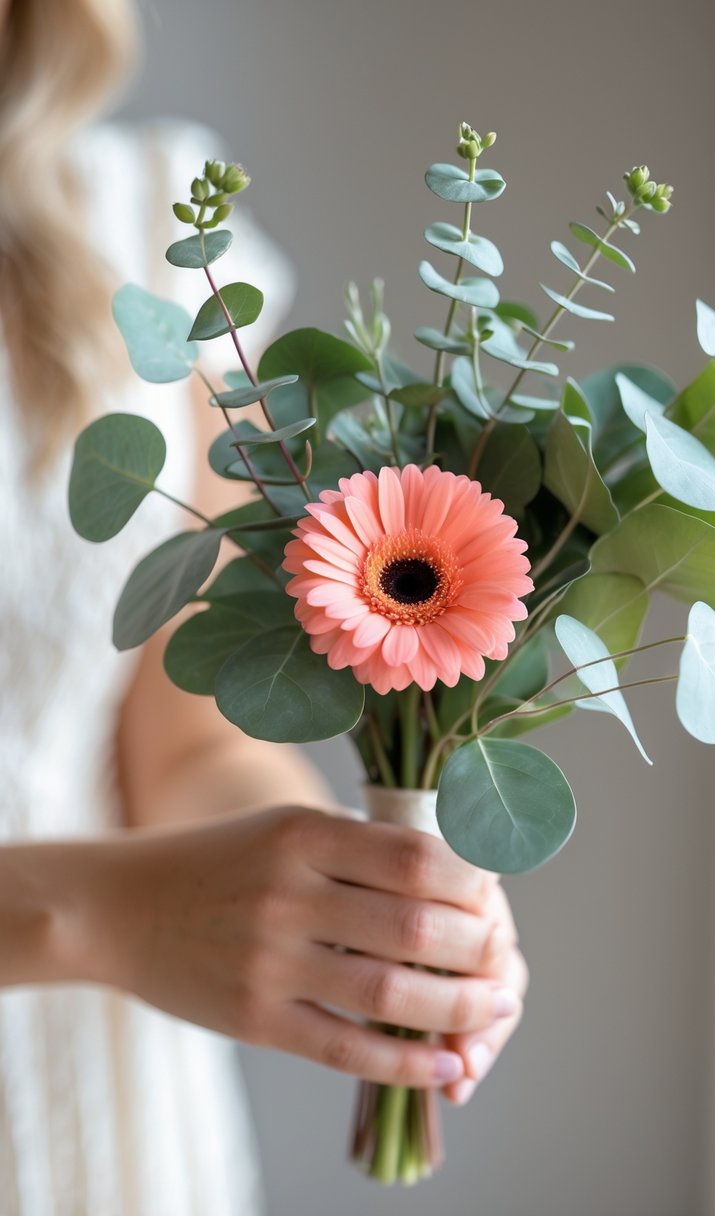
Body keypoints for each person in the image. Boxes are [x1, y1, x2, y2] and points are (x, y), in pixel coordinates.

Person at [0, 1, 528, 1212]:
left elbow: (186, 732)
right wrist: (100, 916)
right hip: (101, 964)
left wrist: (333, 901)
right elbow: (122, 903)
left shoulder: (143, 230)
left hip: (107, 1126)